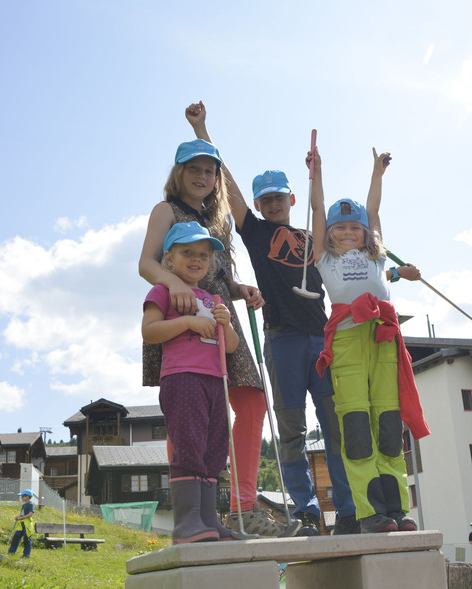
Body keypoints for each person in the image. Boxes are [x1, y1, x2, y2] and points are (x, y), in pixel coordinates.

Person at [186, 101, 355, 535]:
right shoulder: (256, 232)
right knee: (293, 427)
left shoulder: (313, 237)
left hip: (322, 340)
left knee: (335, 426)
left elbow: (322, 208)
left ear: (290, 198)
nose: (272, 204)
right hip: (282, 340)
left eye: (279, 197)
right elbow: (229, 186)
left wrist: (317, 170)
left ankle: (349, 509)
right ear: (259, 206)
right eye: (266, 200)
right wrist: (203, 129)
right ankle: (306, 508)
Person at [138, 132, 274, 535]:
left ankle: (238, 506)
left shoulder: (219, 221)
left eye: (208, 171)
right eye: (193, 169)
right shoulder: (166, 210)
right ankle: (190, 517)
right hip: (180, 306)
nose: (201, 176)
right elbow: (147, 263)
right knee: (188, 413)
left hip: (219, 314)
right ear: (178, 173)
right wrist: (175, 286)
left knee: (248, 399)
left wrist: (240, 290)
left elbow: (221, 275)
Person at [309, 145, 430, 533]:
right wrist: (317, 173)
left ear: (365, 233)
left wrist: (377, 174)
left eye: (354, 227)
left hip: (382, 341)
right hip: (346, 343)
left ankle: (396, 511)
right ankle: (370, 514)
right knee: (358, 429)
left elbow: (374, 210)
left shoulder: (376, 257)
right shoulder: (324, 259)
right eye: (339, 228)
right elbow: (315, 210)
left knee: (389, 427)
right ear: (328, 234)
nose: (347, 232)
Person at [143, 222, 239, 543]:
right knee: (189, 446)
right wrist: (188, 322)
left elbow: (231, 346)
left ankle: (209, 521)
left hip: (216, 383)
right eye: (187, 252)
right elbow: (149, 331)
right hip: (182, 378)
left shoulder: (212, 298)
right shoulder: (164, 291)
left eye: (203, 255)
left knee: (214, 450)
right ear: (169, 259)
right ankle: (186, 523)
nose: (196, 259)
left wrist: (225, 324)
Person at [8, 489, 36, 558]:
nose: (21, 498)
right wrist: (18, 517)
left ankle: (26, 554)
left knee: (27, 539)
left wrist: (21, 518)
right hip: (21, 524)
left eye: (23, 496)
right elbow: (22, 514)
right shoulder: (24, 505)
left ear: (27, 496)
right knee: (16, 536)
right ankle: (11, 552)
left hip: (27, 525)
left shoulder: (31, 504)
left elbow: (30, 514)